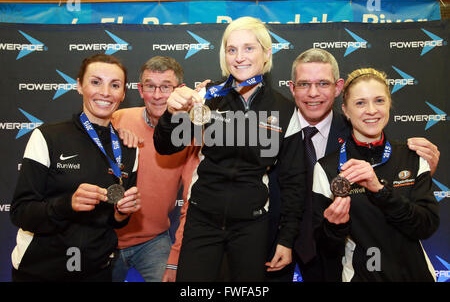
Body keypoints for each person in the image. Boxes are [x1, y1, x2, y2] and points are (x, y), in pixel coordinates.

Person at [153, 16, 306, 281]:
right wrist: (170, 113)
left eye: (249, 48)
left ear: (267, 53)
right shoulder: (207, 97)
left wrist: (286, 239)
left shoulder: (285, 108)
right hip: (202, 220)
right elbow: (166, 146)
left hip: (252, 226)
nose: (239, 57)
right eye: (231, 49)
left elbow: (294, 180)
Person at [267, 48, 441, 282]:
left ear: (338, 89)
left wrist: (417, 176)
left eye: (323, 84)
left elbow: (423, 222)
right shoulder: (269, 127)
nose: (313, 93)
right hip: (280, 247)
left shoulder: (395, 148)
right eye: (304, 84)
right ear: (292, 87)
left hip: (364, 262)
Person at [10, 54, 141, 281]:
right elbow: (21, 213)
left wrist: (121, 213)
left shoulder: (129, 148)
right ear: (79, 86)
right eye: (96, 82)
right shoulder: (48, 136)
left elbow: (115, 221)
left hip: (96, 270)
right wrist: (67, 204)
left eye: (115, 85)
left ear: (122, 94)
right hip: (41, 270)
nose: (105, 92)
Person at [312, 67, 440, 281]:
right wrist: (335, 226)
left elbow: (426, 226)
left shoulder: (413, 157)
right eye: (360, 103)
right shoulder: (326, 168)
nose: (371, 110)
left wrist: (380, 190)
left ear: (389, 104)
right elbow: (325, 248)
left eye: (379, 100)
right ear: (345, 109)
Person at [111, 56, 199, 282]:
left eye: (166, 87)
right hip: (106, 236)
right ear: (140, 90)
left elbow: (191, 200)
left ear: (179, 90)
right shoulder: (116, 119)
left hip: (154, 240)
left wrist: (176, 256)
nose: (157, 95)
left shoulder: (190, 135)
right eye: (150, 86)